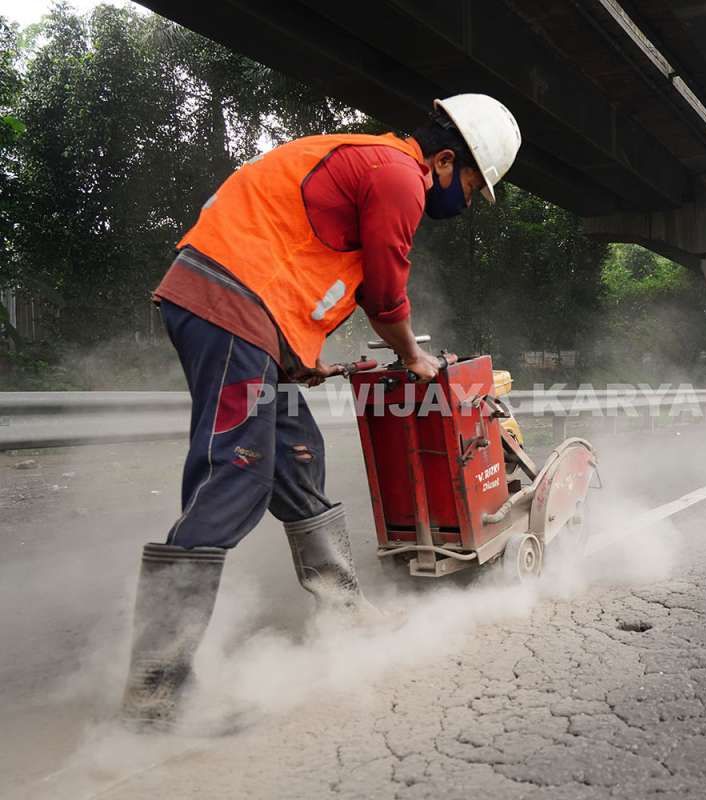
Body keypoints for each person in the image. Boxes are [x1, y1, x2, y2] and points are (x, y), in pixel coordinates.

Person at [120, 94, 522, 730]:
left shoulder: (370, 169)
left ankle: (345, 614)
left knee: (298, 457)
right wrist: (414, 357)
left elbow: (315, 265)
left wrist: (292, 356)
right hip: (226, 306)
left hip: (248, 318)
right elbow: (385, 291)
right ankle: (157, 692)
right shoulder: (397, 173)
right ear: (445, 160)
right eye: (471, 184)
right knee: (239, 471)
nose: (466, 200)